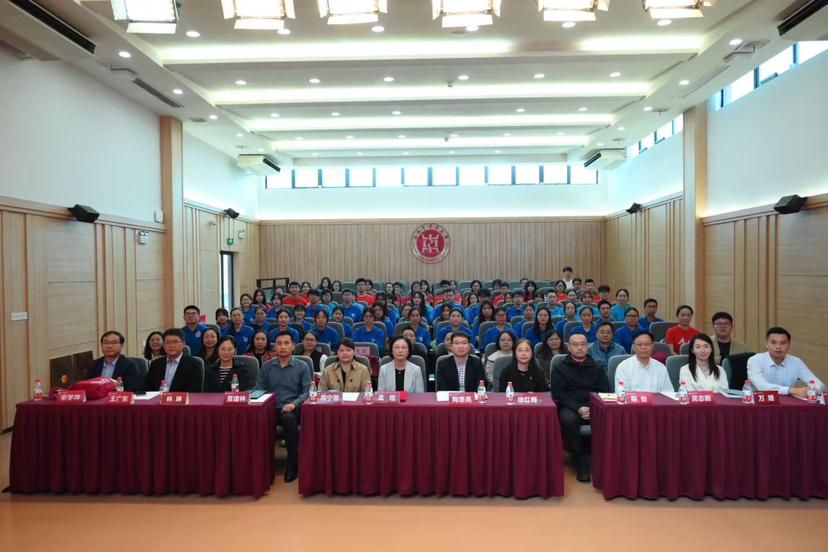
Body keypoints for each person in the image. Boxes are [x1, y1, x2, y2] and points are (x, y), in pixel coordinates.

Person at [550, 332, 611, 483]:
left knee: (610, 417)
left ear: (588, 346)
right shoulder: (559, 367)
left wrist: (591, 408)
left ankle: (604, 460)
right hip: (570, 407)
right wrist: (578, 408)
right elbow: (558, 394)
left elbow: (605, 392)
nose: (579, 348)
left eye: (583, 344)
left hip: (594, 405)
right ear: (569, 347)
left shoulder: (597, 367)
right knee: (568, 419)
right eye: (575, 345)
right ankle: (580, 461)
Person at [256, 330, 311, 482]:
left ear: (293, 346)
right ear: (275, 347)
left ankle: (292, 463)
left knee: (287, 418)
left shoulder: (302, 366)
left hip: (294, 408)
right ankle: (261, 464)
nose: (282, 347)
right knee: (255, 418)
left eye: (286, 343)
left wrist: (294, 404)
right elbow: (260, 390)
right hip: (271, 407)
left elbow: (308, 391)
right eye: (279, 343)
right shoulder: (266, 367)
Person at [747, 327, 825, 397]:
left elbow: (820, 386)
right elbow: (762, 386)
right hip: (759, 404)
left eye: (783, 343)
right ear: (766, 344)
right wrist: (792, 390)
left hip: (788, 405)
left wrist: (812, 390)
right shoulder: (755, 360)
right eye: (773, 343)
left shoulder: (796, 362)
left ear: (789, 345)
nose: (778, 347)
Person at [145, 328, 204, 393]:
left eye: (175, 342)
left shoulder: (194, 364)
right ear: (163, 345)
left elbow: (195, 390)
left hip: (182, 399)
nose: (171, 346)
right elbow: (147, 387)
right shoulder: (155, 364)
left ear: (183, 344)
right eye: (167, 342)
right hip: (158, 398)